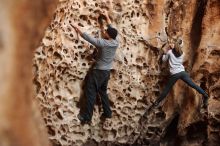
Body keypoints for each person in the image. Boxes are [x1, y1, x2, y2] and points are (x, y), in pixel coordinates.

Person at [71, 11, 119, 123]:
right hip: (106, 73)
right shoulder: (116, 41)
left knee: (90, 92)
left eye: (106, 32)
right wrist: (107, 17)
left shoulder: (103, 43)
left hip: (98, 72)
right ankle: (108, 112)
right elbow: (112, 28)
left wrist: (77, 28)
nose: (104, 31)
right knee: (102, 92)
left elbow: (89, 38)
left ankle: (87, 117)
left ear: (108, 36)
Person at [151, 38, 209, 109]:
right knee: (193, 85)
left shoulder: (169, 52)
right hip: (182, 72)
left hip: (175, 74)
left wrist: (165, 52)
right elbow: (176, 52)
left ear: (175, 45)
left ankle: (157, 102)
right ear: (181, 46)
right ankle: (205, 95)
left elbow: (164, 60)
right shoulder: (183, 53)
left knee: (167, 89)